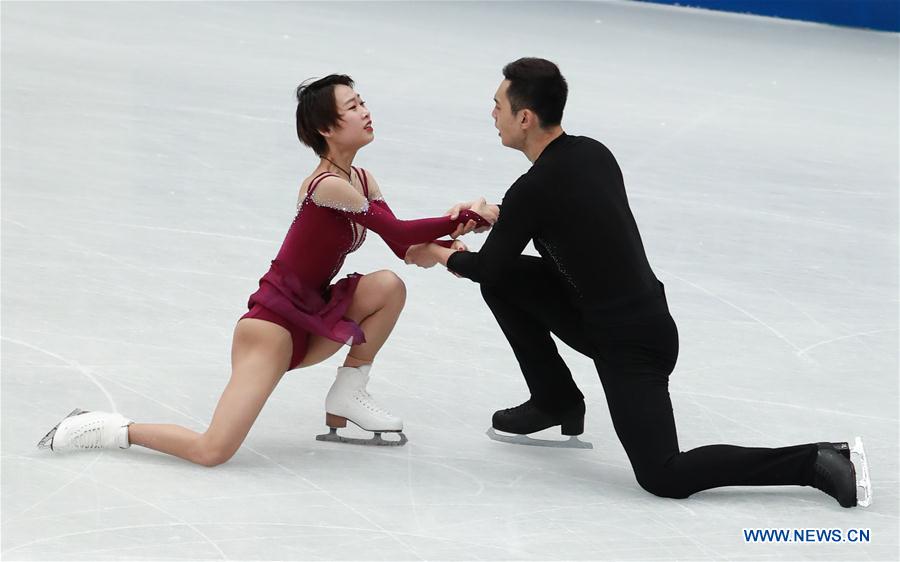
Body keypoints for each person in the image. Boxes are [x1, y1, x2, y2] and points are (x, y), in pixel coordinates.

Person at [405, 58, 871, 507]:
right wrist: (497, 218)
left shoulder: (535, 188)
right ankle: (555, 400)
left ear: (524, 117)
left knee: (663, 474)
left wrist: (439, 254)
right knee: (503, 282)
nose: (492, 114)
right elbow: (567, 222)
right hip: (622, 315)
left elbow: (492, 261)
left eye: (498, 106)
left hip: (632, 344)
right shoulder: (592, 153)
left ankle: (814, 461)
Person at [38, 74, 495, 463]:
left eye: (362, 102)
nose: (365, 111)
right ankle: (106, 427)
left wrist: (445, 250)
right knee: (212, 450)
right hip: (272, 327)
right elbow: (397, 230)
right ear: (326, 128)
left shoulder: (362, 179)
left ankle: (348, 393)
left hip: (315, 314)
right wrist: (467, 218)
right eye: (353, 106)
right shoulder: (328, 185)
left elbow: (401, 247)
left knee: (388, 286)